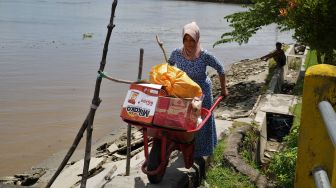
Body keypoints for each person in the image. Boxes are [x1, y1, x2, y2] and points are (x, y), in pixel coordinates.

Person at [168, 21, 229, 159]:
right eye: (186, 39)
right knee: (185, 121)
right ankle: (186, 147)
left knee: (202, 121)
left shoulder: (204, 55)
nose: (189, 43)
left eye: (192, 40)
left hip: (202, 92)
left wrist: (224, 89)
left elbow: (221, 69)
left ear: (197, 39)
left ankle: (203, 150)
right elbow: (169, 66)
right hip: (184, 91)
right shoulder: (177, 53)